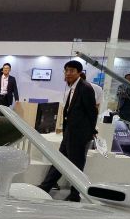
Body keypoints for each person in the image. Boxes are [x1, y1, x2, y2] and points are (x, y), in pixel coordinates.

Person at [36, 60, 98, 202]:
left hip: (79, 135)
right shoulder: (73, 88)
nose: (68, 73)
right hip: (70, 133)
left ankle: (75, 195)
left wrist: (90, 133)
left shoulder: (85, 88)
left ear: (79, 73)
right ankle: (46, 187)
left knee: (75, 165)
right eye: (67, 70)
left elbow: (92, 112)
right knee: (59, 161)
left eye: (72, 71)